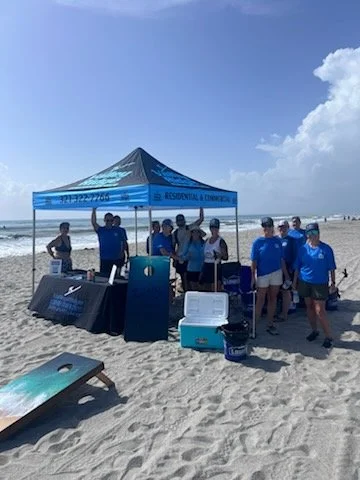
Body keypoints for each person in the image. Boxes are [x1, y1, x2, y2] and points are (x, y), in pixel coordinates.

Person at [293, 222, 336, 348]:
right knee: (309, 307)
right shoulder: (302, 249)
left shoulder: (326, 249)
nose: (312, 235)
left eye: (314, 233)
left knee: (320, 310)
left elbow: (332, 268)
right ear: (306, 235)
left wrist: (333, 283)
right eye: (309, 233)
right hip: (304, 281)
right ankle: (314, 331)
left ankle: (328, 336)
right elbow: (297, 267)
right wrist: (295, 281)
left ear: (319, 233)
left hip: (320, 283)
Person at [250, 217, 290, 335]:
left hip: (276, 273)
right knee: (260, 300)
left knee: (272, 299)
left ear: (273, 227)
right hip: (262, 275)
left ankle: (270, 324)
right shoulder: (257, 242)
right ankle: (254, 326)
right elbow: (254, 261)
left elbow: (281, 260)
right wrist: (253, 277)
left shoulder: (277, 241)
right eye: (265, 226)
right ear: (263, 228)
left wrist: (286, 275)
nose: (267, 229)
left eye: (269, 226)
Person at [173, 208, 204, 292]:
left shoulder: (189, 228)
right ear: (176, 222)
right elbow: (173, 246)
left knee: (191, 278)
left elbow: (201, 219)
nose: (180, 221)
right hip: (180, 257)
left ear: (184, 220)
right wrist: (174, 259)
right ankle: (187, 294)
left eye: (181, 220)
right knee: (184, 278)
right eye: (178, 220)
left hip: (189, 255)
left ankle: (191, 293)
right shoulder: (175, 233)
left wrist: (201, 206)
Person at [91, 208, 128, 276]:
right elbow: (93, 223)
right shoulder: (101, 230)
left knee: (116, 278)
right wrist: (94, 210)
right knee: (105, 278)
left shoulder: (118, 230)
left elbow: (124, 242)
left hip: (116, 258)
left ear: (113, 221)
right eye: (107, 220)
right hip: (105, 259)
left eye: (111, 220)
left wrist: (122, 252)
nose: (109, 222)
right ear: (104, 220)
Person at [200, 218, 228, 292]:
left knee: (215, 288)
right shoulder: (207, 240)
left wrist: (220, 255)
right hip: (206, 265)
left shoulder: (221, 241)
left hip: (215, 266)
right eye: (212, 228)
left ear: (218, 229)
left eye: (216, 228)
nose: (214, 230)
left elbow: (226, 257)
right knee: (205, 288)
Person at [277, 220, 297, 322]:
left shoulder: (292, 240)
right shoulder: (275, 239)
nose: (282, 228)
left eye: (284, 226)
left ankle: (284, 314)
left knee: (286, 291)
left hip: (288, 270)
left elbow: (295, 256)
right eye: (280, 226)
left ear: (288, 227)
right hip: (276, 269)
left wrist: (292, 270)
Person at [181, 225, 206, 291]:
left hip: (202, 269)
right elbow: (183, 256)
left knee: (202, 289)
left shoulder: (204, 243)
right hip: (191, 269)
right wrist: (187, 256)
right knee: (194, 290)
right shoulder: (188, 243)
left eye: (197, 232)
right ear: (191, 234)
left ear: (200, 234)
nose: (195, 234)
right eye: (193, 232)